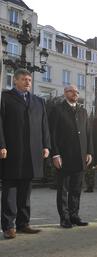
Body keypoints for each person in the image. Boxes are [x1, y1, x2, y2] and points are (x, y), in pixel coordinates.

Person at [0, 69, 51, 239]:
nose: (28, 82)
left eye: (29, 79)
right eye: (24, 79)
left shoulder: (38, 101)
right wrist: (2, 145)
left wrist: (46, 146)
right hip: (12, 152)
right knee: (10, 191)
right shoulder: (5, 98)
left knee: (26, 191)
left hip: (32, 152)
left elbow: (44, 126)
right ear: (15, 81)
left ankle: (23, 224)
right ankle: (8, 226)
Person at [49, 85, 92, 228]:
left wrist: (89, 152)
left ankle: (74, 215)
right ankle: (64, 218)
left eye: (77, 92)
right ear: (65, 93)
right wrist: (55, 154)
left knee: (76, 189)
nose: (75, 93)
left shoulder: (83, 111)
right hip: (64, 157)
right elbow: (52, 134)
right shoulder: (57, 109)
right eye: (71, 91)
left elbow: (88, 133)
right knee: (64, 190)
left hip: (80, 157)